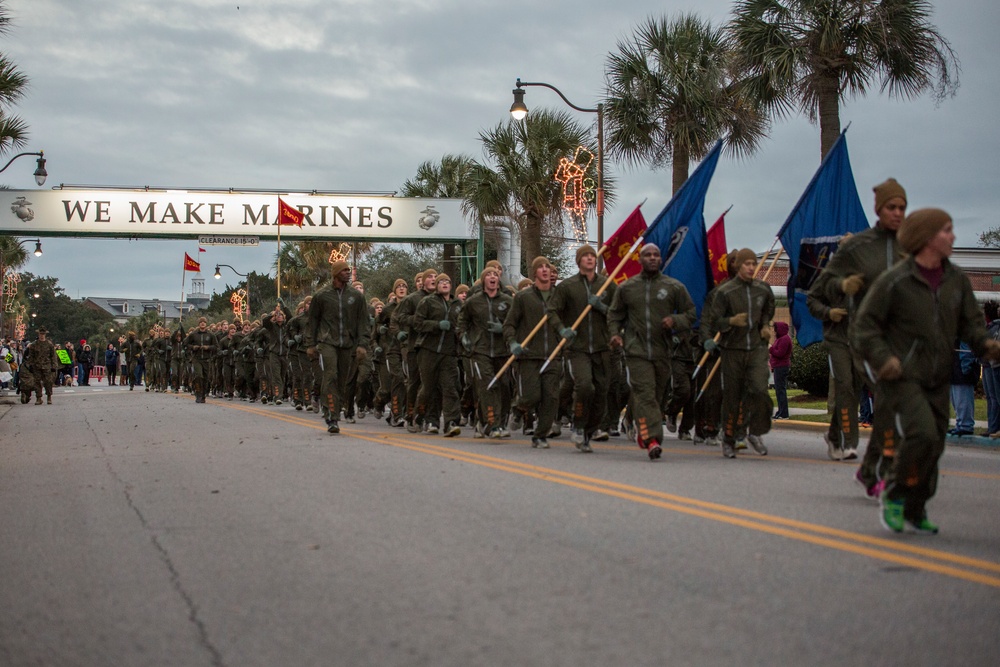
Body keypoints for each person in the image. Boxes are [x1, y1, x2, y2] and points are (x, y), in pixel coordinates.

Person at [853, 208, 1000, 534]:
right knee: (920, 433)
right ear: (926, 239)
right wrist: (883, 359)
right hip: (901, 376)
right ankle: (894, 493)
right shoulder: (896, 280)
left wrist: (987, 346)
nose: (953, 236)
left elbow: (971, 325)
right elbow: (864, 327)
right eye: (946, 231)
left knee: (935, 444)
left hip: (938, 377)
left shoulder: (957, 280)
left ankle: (916, 506)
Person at [809, 179, 907, 489]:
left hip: (872, 337)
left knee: (880, 391)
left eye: (902, 207)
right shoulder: (837, 266)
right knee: (847, 388)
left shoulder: (900, 251)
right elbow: (813, 296)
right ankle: (849, 443)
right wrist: (831, 309)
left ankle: (837, 435)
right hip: (839, 337)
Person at [608, 243, 696, 460]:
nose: (652, 258)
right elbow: (614, 315)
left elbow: (691, 312)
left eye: (656, 254)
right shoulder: (627, 288)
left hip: (663, 351)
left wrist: (675, 320)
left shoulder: (673, 286)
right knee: (645, 394)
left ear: (661, 259)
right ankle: (653, 440)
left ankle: (638, 424)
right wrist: (615, 334)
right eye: (648, 255)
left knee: (656, 397)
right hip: (636, 350)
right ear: (640, 259)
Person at [702, 248, 775, 459]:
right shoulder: (725, 292)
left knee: (759, 390)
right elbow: (713, 320)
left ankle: (755, 431)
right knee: (732, 397)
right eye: (747, 264)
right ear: (738, 266)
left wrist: (765, 325)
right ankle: (729, 437)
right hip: (732, 349)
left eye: (753, 263)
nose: (751, 267)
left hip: (756, 349)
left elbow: (768, 309)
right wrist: (730, 322)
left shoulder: (763, 289)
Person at [547, 244, 617, 452]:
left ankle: (590, 430)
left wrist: (602, 307)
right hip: (577, 347)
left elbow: (618, 312)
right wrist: (562, 329)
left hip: (602, 347)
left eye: (592, 256)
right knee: (585, 386)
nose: (589, 258)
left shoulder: (607, 286)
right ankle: (578, 425)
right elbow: (552, 311)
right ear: (579, 261)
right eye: (585, 256)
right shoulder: (567, 286)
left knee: (601, 391)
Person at [503, 256, 563, 449]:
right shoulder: (523, 297)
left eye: (548, 267)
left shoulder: (560, 296)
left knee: (551, 397)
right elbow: (510, 324)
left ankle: (540, 434)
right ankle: (519, 408)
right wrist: (512, 342)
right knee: (531, 396)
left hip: (553, 354)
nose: (545, 270)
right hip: (529, 355)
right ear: (534, 272)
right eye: (541, 267)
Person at [305, 259, 370, 434]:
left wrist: (363, 344)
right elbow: (312, 322)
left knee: (343, 381)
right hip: (327, 342)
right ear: (335, 274)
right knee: (331, 375)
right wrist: (310, 345)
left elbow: (363, 322)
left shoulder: (356, 297)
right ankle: (331, 415)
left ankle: (336, 408)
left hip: (348, 344)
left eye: (349, 270)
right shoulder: (321, 296)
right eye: (344, 270)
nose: (348, 273)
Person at [947, 342, 978, 436]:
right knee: (956, 400)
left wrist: (966, 366)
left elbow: (966, 350)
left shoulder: (963, 332)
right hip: (955, 367)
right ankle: (960, 424)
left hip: (962, 368)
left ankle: (965, 425)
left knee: (962, 399)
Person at [185, 317, 217, 403]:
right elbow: (185, 344)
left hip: (206, 359)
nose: (202, 323)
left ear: (206, 324)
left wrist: (208, 347)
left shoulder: (210, 335)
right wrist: (193, 347)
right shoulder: (194, 334)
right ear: (198, 324)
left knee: (206, 378)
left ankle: (203, 395)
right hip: (196, 358)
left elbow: (216, 346)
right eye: (201, 322)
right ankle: (198, 394)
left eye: (204, 322)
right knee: (198, 376)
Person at [25, 326, 60, 405]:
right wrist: (30, 365)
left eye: (43, 334)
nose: (42, 335)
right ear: (38, 334)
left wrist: (54, 366)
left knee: (48, 382)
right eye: (40, 334)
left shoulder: (49, 344)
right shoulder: (34, 345)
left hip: (47, 366)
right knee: (37, 382)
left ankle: (49, 397)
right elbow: (31, 356)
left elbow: (53, 356)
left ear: (45, 335)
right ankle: (38, 398)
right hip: (36, 366)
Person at [769, 321, 792, 419]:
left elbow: (780, 353)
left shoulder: (784, 339)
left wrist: (770, 348)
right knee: (779, 390)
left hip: (781, 366)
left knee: (780, 390)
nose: (774, 331)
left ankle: (784, 413)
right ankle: (781, 411)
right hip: (778, 366)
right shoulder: (780, 339)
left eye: (775, 329)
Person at [984, 302, 1000, 438]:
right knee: (991, 397)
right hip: (989, 364)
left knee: (995, 397)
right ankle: (991, 426)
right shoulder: (990, 327)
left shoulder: (994, 328)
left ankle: (994, 426)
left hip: (993, 364)